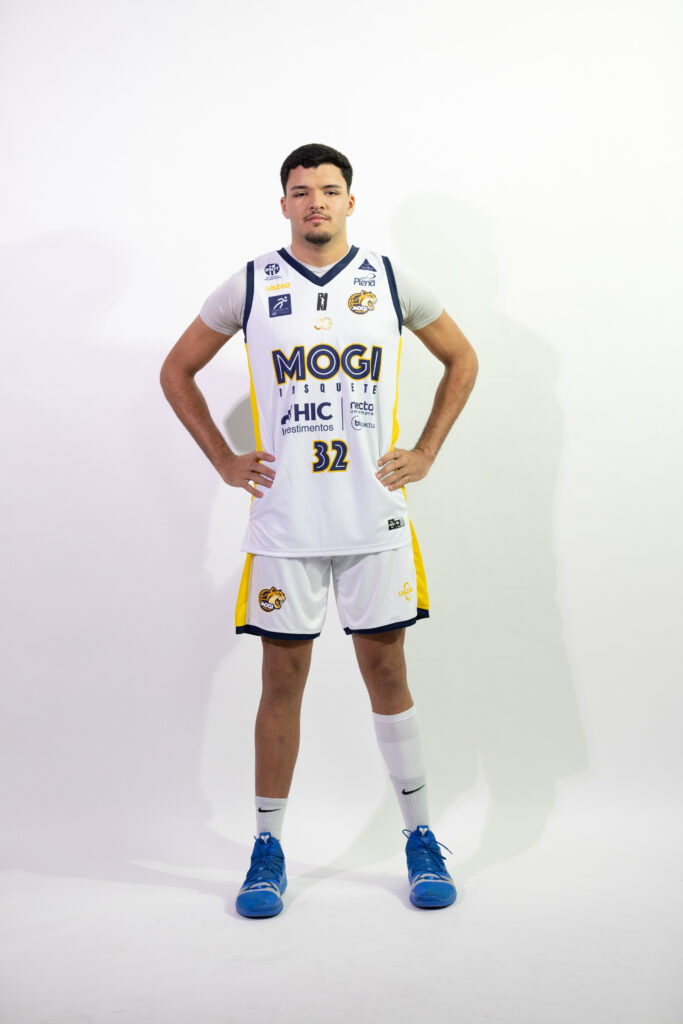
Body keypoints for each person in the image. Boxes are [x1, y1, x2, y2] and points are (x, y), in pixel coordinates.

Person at [160, 143, 478, 917]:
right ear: (284, 205)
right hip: (286, 522)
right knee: (281, 681)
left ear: (350, 202)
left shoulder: (390, 280)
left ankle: (420, 836)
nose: (315, 203)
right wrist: (224, 460)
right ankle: (267, 849)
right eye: (300, 192)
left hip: (373, 517)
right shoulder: (253, 282)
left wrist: (426, 451)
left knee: (388, 674)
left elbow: (462, 359)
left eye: (329, 191)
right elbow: (176, 370)